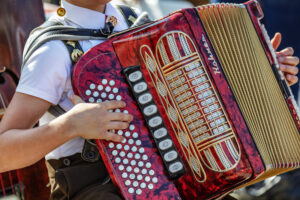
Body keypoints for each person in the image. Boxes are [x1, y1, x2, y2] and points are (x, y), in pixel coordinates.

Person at [0, 0, 299, 199]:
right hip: (95, 187)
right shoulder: (53, 50)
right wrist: (69, 126)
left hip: (176, 178)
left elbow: (202, 95)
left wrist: (266, 74)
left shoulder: (131, 19)